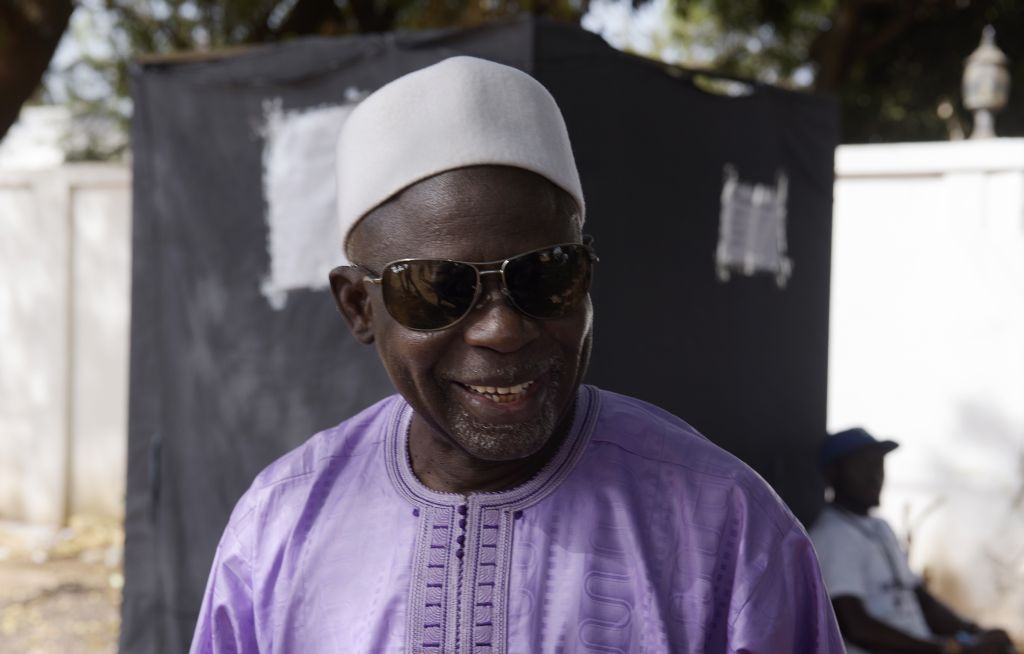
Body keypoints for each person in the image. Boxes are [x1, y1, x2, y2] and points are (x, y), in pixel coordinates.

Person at [189, 55, 845, 653]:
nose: (502, 330)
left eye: (546, 274)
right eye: (438, 288)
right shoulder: (279, 527)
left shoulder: (725, 526)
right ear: (359, 306)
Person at [810, 427, 1018, 654]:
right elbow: (855, 627)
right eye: (862, 465)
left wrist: (975, 633)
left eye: (878, 464)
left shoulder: (880, 527)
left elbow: (921, 600)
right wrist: (951, 650)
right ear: (833, 473)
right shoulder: (832, 536)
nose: (875, 475)